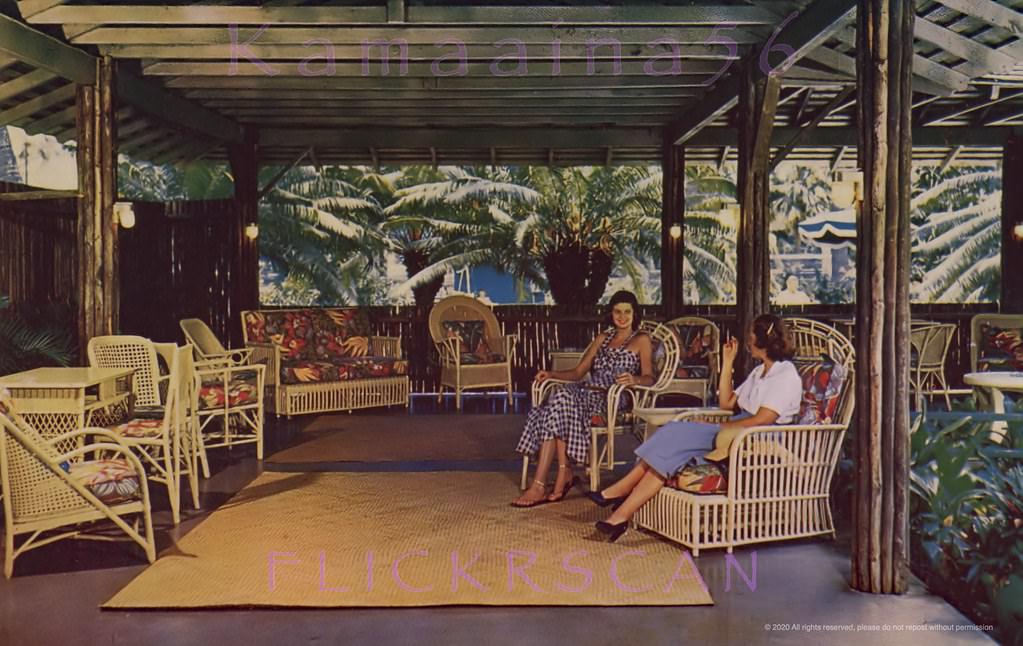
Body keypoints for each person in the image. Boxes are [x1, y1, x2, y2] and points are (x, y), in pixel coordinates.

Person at [586, 314, 803, 541]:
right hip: (737, 430)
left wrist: (719, 425)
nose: (748, 342)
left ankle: (621, 490)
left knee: (674, 431)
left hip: (756, 437)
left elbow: (762, 420)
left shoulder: (786, 375)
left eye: (751, 337)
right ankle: (619, 517)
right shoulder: (759, 372)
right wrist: (728, 362)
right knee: (672, 448)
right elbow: (726, 403)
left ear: (764, 342)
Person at [511, 290, 654, 508]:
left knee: (560, 401)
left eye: (627, 312)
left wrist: (634, 379)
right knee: (559, 396)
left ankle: (542, 483)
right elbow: (578, 373)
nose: (622, 317)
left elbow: (650, 378)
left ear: (635, 314)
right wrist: (552, 374)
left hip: (612, 397)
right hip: (587, 391)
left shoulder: (642, 340)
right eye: (617, 312)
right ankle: (560, 473)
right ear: (611, 314)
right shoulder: (602, 339)